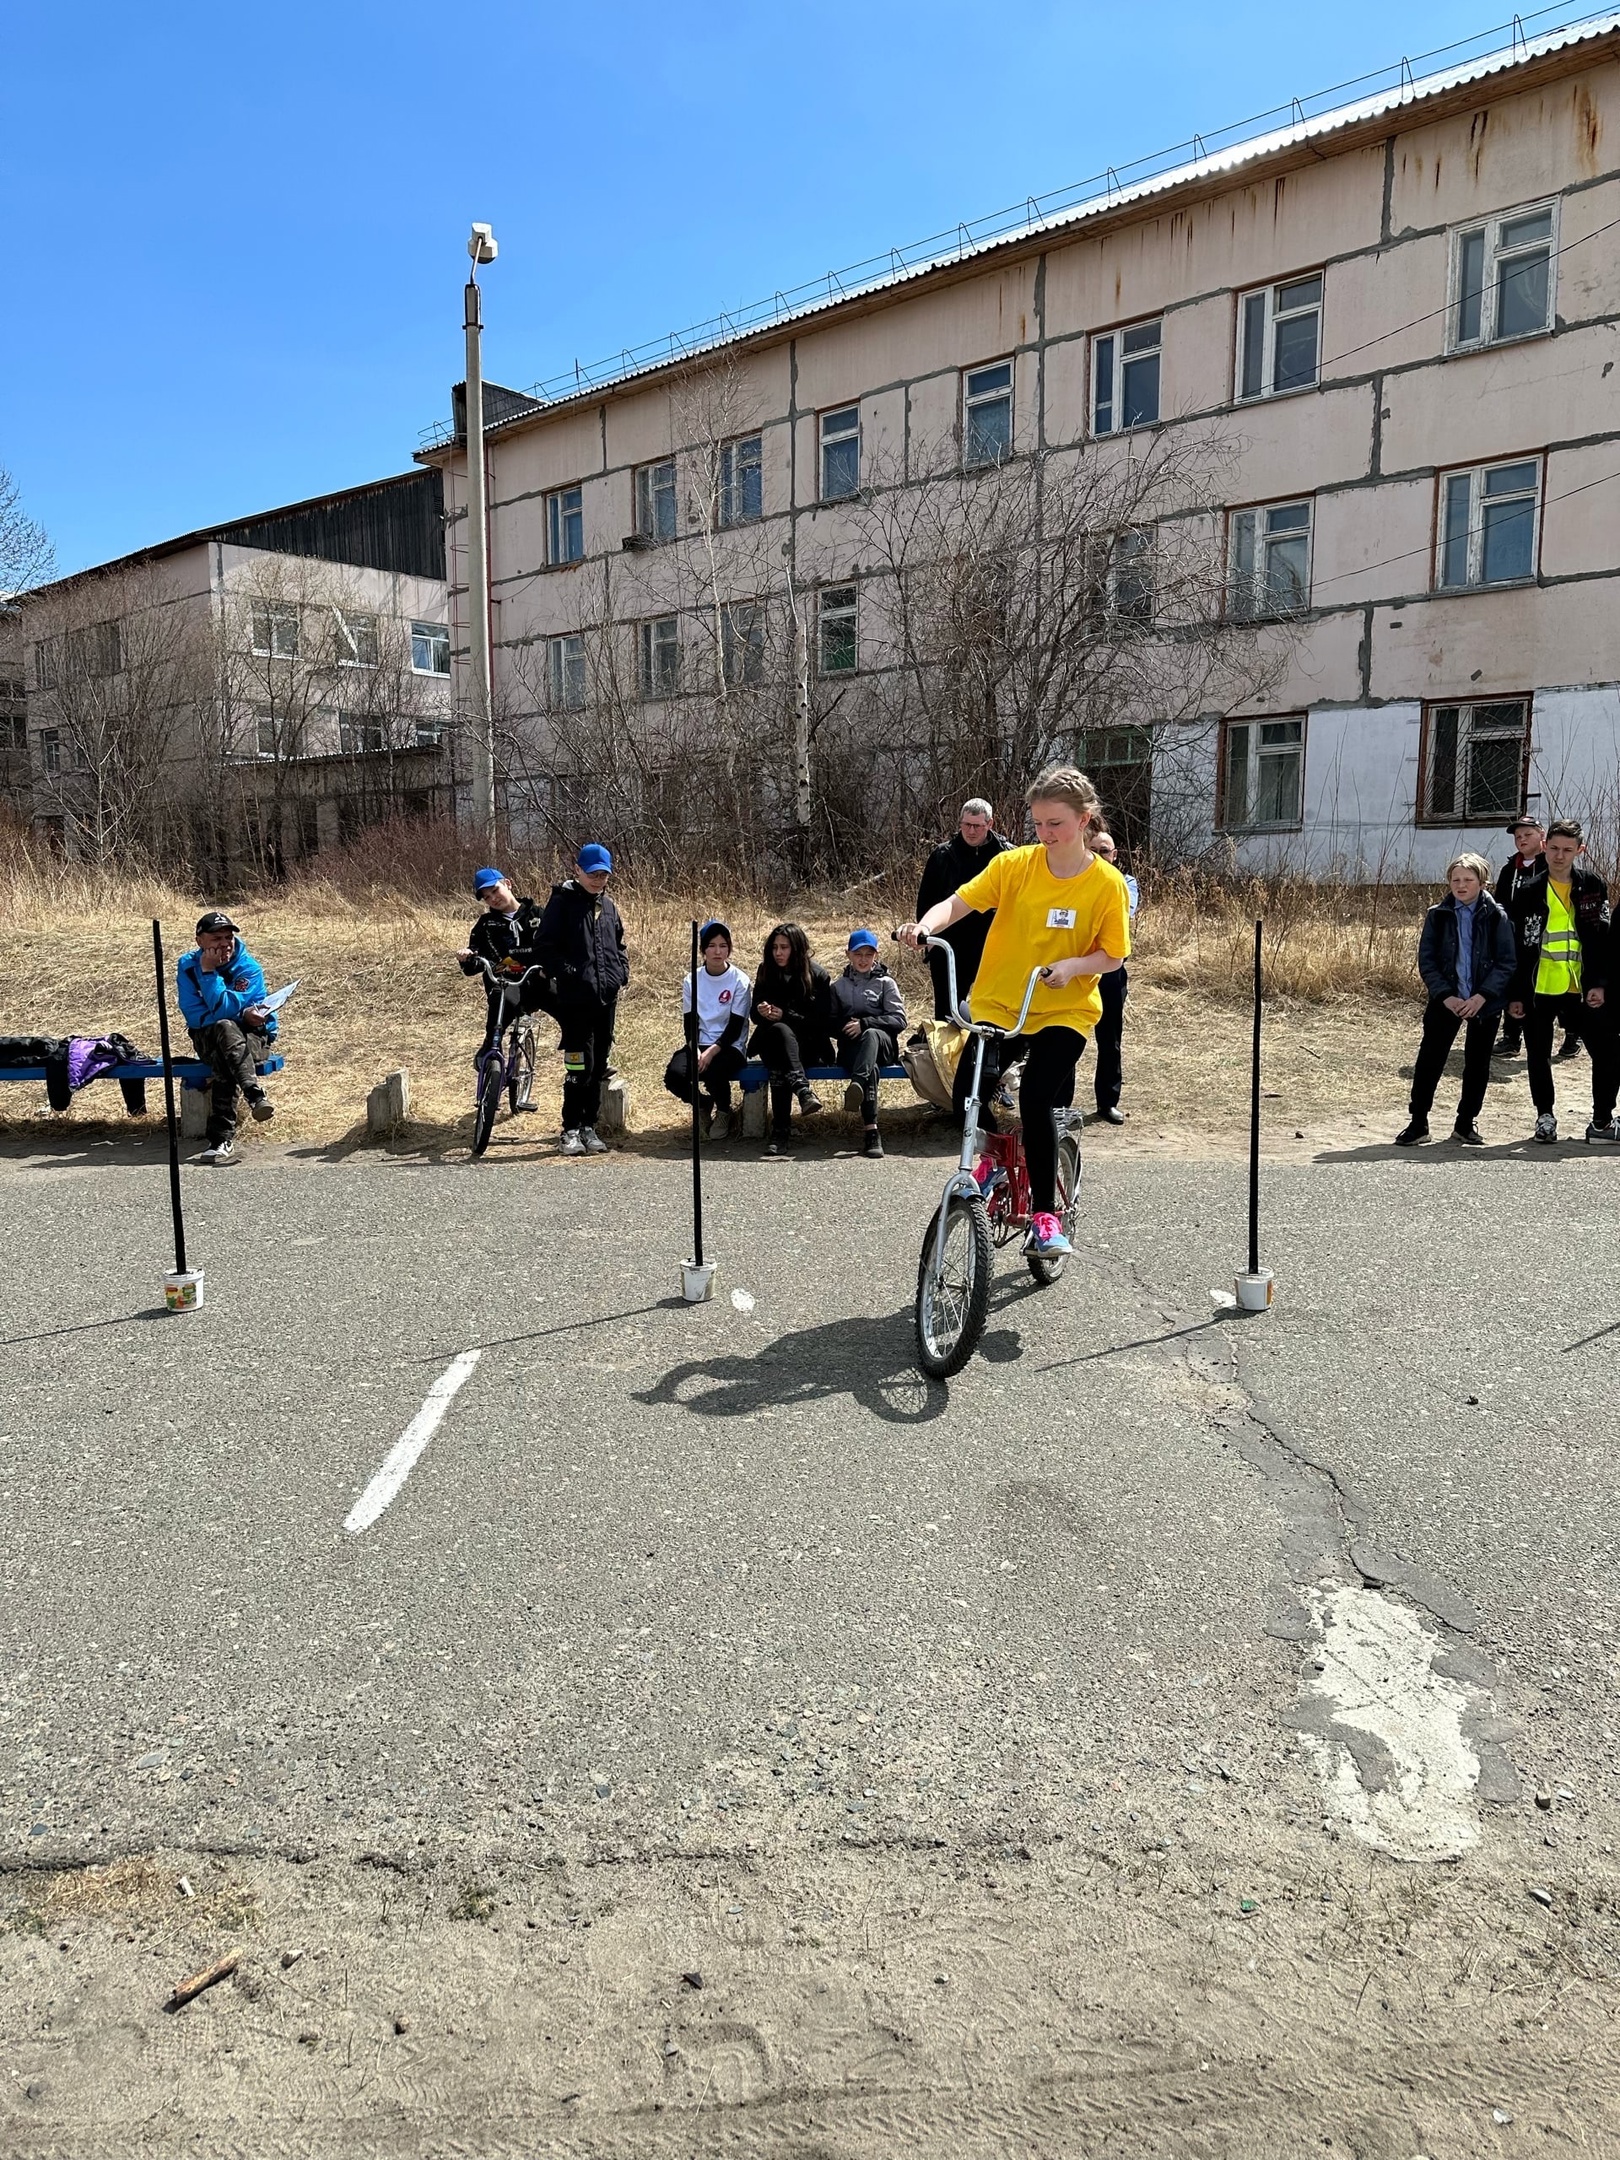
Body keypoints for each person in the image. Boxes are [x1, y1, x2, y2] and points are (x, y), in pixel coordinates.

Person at [901, 764, 1130, 1259]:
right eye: (1038, 824)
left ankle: (1046, 1219)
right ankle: (995, 1160)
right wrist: (923, 926)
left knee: (1036, 1098)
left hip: (1063, 1008)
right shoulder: (1015, 865)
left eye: (1056, 824)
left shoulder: (1105, 884)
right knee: (966, 1091)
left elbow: (1113, 954)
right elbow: (958, 904)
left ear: (1084, 820)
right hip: (1001, 1004)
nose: (1045, 834)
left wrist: (1073, 966)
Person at [1502, 818, 1616, 1144]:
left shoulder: (1593, 885)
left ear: (1580, 850)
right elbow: (1519, 948)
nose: (1559, 856)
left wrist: (1599, 983)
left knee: (1607, 1052)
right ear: (1544, 847)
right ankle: (1545, 1116)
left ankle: (1601, 1121)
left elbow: (1599, 939)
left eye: (1567, 850)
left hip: (1581, 989)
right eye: (1553, 848)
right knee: (1538, 1056)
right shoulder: (1529, 890)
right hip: (1538, 990)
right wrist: (1516, 994)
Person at [1394, 852, 1517, 1147]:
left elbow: (1506, 962)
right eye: (1455, 880)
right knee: (1429, 1060)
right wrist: (1446, 996)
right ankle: (1418, 1122)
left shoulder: (1497, 916)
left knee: (1477, 1064)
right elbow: (1427, 961)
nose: (1461, 886)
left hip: (1483, 1003)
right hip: (1446, 1000)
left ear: (1482, 881)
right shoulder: (1438, 914)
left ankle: (1465, 1123)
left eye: (1468, 880)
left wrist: (1482, 997)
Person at [534, 842, 629, 1157]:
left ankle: (589, 1125)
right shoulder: (562, 902)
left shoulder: (609, 905)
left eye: (603, 874)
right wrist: (569, 972)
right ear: (577, 870)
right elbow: (545, 946)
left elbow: (618, 944)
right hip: (575, 1000)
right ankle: (570, 1129)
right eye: (593, 874)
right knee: (579, 1067)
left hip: (606, 998)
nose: (598, 880)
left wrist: (621, 973)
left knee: (599, 1064)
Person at [175, 908, 278, 1167]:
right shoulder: (188, 966)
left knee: (225, 1041)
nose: (224, 944)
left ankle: (220, 1141)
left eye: (228, 938)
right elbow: (193, 1013)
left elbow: (224, 1010)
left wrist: (232, 1012)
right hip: (207, 1037)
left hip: (253, 1039)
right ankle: (254, 1094)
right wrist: (208, 973)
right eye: (216, 939)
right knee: (223, 1028)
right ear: (200, 942)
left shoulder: (248, 967)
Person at [455, 867, 550, 1095]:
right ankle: (491, 1044)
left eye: (494, 891)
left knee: (571, 1007)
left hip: (538, 984)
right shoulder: (485, 925)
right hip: (505, 986)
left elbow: (556, 947)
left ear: (508, 883)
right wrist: (467, 958)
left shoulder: (539, 915)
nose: (492, 899)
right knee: (500, 999)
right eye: (486, 897)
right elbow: (475, 961)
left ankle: (582, 1054)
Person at [915, 799, 1009, 1020]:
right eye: (965, 824)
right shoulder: (943, 856)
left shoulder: (1006, 857)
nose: (970, 831)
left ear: (990, 824)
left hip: (991, 946)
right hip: (949, 944)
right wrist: (926, 936)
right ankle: (947, 1053)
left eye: (977, 825)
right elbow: (926, 901)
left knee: (994, 1011)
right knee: (948, 1012)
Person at [749, 921, 833, 1156]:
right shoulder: (765, 970)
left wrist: (786, 1015)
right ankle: (803, 1091)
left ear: (797, 948)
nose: (778, 953)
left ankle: (780, 1133)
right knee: (778, 1033)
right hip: (771, 1041)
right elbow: (754, 1016)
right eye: (775, 947)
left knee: (780, 1053)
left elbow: (821, 1022)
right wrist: (763, 1011)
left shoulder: (817, 975)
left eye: (784, 947)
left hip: (808, 1045)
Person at [664, 920, 753, 1138]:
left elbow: (735, 1026)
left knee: (713, 1069)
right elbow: (690, 1022)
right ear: (703, 949)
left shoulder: (740, 981)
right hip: (699, 1041)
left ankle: (724, 1110)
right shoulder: (691, 980)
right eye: (712, 945)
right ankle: (702, 1102)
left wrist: (712, 1051)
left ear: (729, 949)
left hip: (730, 1045)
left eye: (723, 945)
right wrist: (695, 1048)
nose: (717, 951)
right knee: (674, 1075)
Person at [828, 929, 907, 1159]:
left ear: (876, 955)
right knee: (868, 1066)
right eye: (858, 954)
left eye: (868, 954)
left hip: (883, 1045)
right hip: (851, 1049)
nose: (863, 959)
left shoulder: (886, 983)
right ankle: (871, 1132)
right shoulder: (838, 987)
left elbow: (900, 1020)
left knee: (871, 1034)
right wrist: (845, 1026)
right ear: (848, 955)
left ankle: (857, 1083)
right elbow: (830, 1023)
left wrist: (865, 1023)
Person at [1088, 828, 1138, 1125]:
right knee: (1068, 1037)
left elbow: (1120, 913)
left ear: (1115, 855)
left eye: (1104, 851)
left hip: (1110, 972)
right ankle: (1060, 1104)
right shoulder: (1074, 880)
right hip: (1077, 970)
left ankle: (1107, 1102)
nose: (1099, 856)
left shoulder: (1126, 883)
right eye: (1093, 850)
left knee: (1110, 1040)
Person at [1492, 816, 1546, 1059]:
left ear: (1542, 835)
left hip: (1544, 939)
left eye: (1527, 835)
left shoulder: (1552, 865)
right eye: (1518, 837)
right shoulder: (1508, 869)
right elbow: (1499, 903)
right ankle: (1511, 1038)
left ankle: (1570, 1034)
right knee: (1512, 983)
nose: (1522, 840)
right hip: (1513, 938)